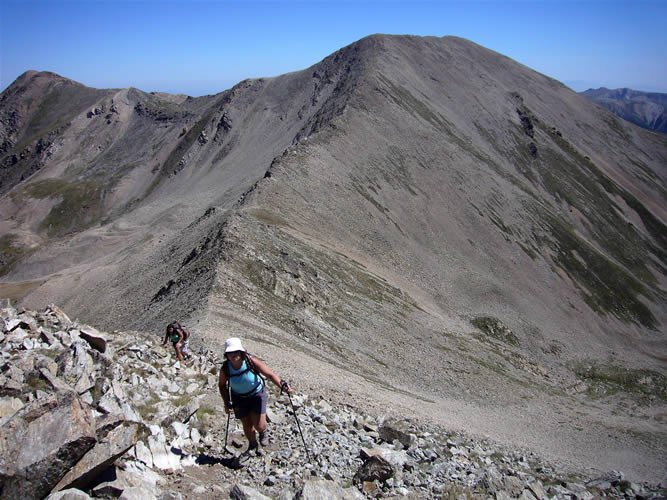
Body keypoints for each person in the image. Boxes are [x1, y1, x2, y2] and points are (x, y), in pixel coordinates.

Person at [218, 337, 291, 455]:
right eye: (230, 353)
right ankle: (252, 445)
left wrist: (281, 385)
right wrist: (226, 402)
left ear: (241, 352)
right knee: (246, 424)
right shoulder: (225, 368)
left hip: (256, 394)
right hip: (238, 397)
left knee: (259, 425)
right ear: (226, 355)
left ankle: (263, 431)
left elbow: (270, 374)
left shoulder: (250, 361)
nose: (233, 355)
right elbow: (222, 385)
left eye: (236, 352)